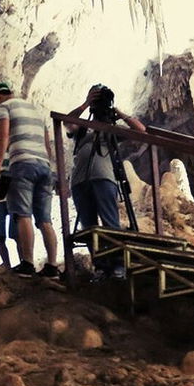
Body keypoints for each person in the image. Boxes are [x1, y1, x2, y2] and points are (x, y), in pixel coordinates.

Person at [66, 85, 147, 278]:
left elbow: (141, 131)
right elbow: (68, 122)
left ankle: (118, 264)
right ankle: (100, 265)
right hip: (79, 181)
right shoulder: (83, 129)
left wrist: (116, 112)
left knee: (110, 222)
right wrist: (87, 103)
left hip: (104, 178)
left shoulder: (111, 129)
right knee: (89, 226)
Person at [0, 81, 61, 277]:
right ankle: (52, 266)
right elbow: (47, 143)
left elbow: (3, 135)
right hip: (44, 165)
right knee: (44, 219)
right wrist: (51, 168)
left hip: (23, 164)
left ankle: (27, 263)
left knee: (23, 214)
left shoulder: (4, 106)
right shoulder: (35, 109)